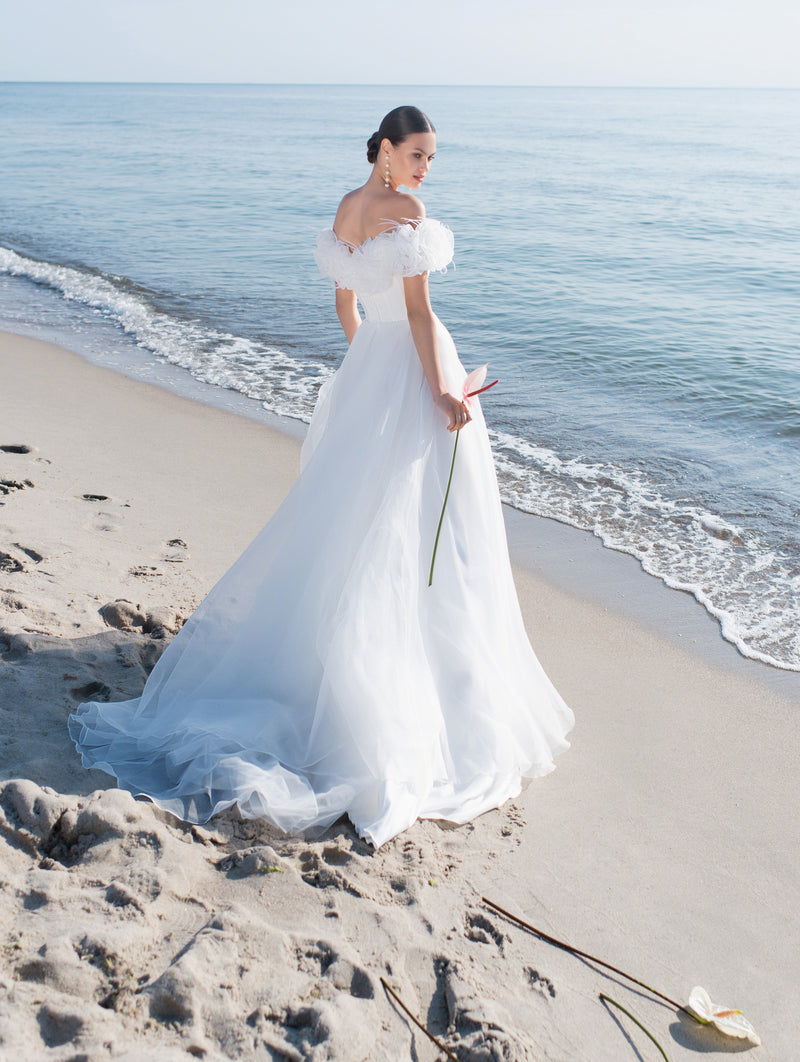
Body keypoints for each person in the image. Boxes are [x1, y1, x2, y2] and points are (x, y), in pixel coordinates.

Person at [69, 106, 573, 849]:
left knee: (353, 519)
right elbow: (424, 316)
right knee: (418, 523)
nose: (426, 169)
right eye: (419, 155)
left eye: (432, 158)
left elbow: (346, 304)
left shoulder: (347, 208)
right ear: (388, 150)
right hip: (409, 372)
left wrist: (369, 366)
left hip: (369, 369)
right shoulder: (408, 212)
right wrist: (436, 387)